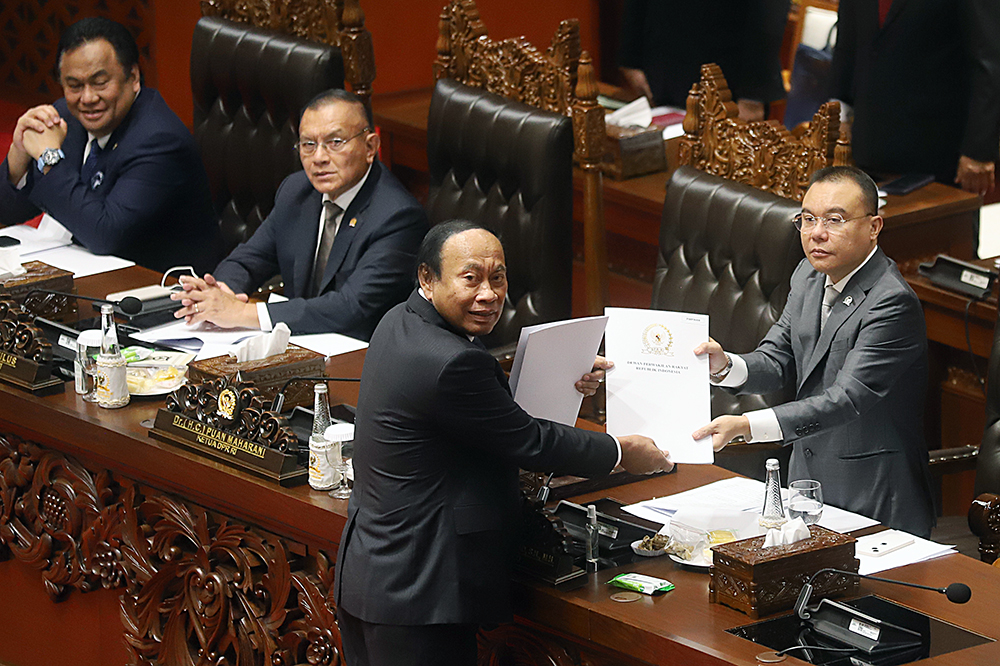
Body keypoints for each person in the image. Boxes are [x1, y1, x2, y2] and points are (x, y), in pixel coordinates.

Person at [334, 220, 671, 666]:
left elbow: (471, 406)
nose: (489, 293)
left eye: (499, 277)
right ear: (427, 278)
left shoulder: (400, 321)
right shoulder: (451, 362)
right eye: (471, 278)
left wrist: (557, 375)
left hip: (373, 574)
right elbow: (528, 440)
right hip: (418, 596)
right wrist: (622, 452)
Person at [691, 166, 935, 537]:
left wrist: (747, 426)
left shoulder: (891, 302)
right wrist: (726, 366)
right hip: (805, 487)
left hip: (875, 497)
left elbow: (846, 399)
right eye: (807, 219)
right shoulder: (808, 275)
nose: (817, 233)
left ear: (874, 227)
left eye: (835, 220)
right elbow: (776, 358)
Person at [171, 89, 427, 340]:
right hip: (300, 344)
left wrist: (243, 313)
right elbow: (248, 259)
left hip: (361, 358)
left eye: (335, 143)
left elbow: (350, 307)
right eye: (308, 144)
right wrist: (221, 292)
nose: (319, 158)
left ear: (370, 146)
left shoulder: (397, 217)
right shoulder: (297, 192)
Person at [0, 17, 222, 274]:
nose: (88, 98)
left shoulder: (160, 140)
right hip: (87, 272)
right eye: (74, 86)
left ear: (134, 77)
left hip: (160, 290)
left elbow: (104, 233)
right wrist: (18, 156)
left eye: (100, 82)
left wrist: (50, 159)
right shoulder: (66, 118)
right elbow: (7, 213)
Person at [830, 0, 1000, 197]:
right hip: (867, 146)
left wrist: (978, 152)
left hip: (939, 158)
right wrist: (839, 113)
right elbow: (847, 41)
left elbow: (991, 63)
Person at [618, 0, 790, 121]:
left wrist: (753, 95)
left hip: (725, 82)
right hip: (660, 72)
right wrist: (630, 59)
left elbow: (769, 17)